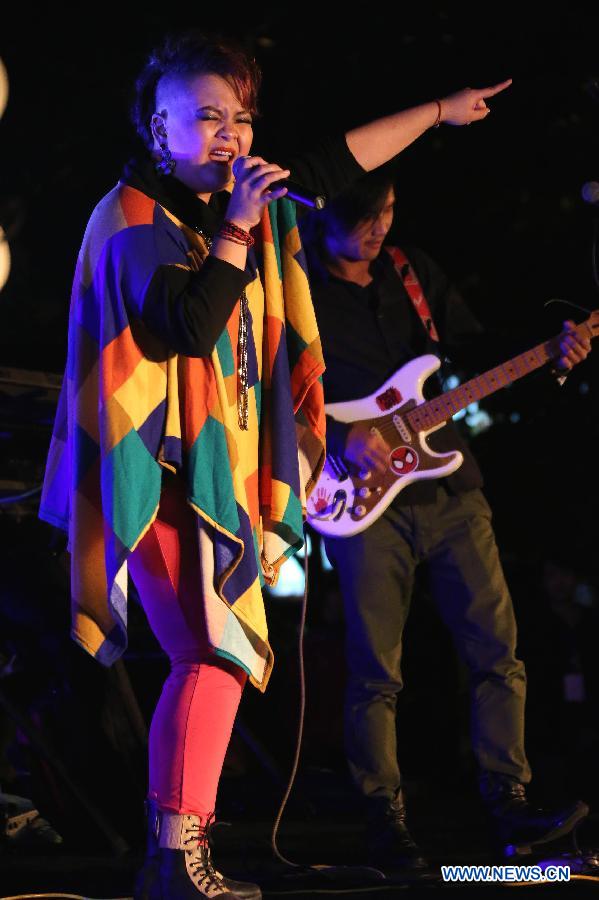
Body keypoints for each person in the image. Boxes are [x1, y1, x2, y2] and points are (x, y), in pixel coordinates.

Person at [39, 28, 511, 899]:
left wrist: (440, 113)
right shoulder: (133, 217)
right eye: (207, 118)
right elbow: (182, 327)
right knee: (210, 654)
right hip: (159, 476)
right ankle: (175, 859)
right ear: (157, 128)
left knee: (210, 656)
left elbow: (333, 163)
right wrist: (238, 229)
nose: (232, 137)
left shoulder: (219, 206)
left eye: (242, 119)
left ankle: (178, 856)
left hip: (198, 474)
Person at [300, 169, 592, 871]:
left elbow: (470, 354)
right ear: (326, 214)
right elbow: (267, 390)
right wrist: (337, 439)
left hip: (451, 486)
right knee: (376, 669)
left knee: (498, 651)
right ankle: (383, 819)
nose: (380, 229)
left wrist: (551, 360)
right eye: (366, 217)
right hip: (358, 499)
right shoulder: (296, 287)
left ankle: (510, 804)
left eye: (390, 211)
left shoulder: (410, 270)